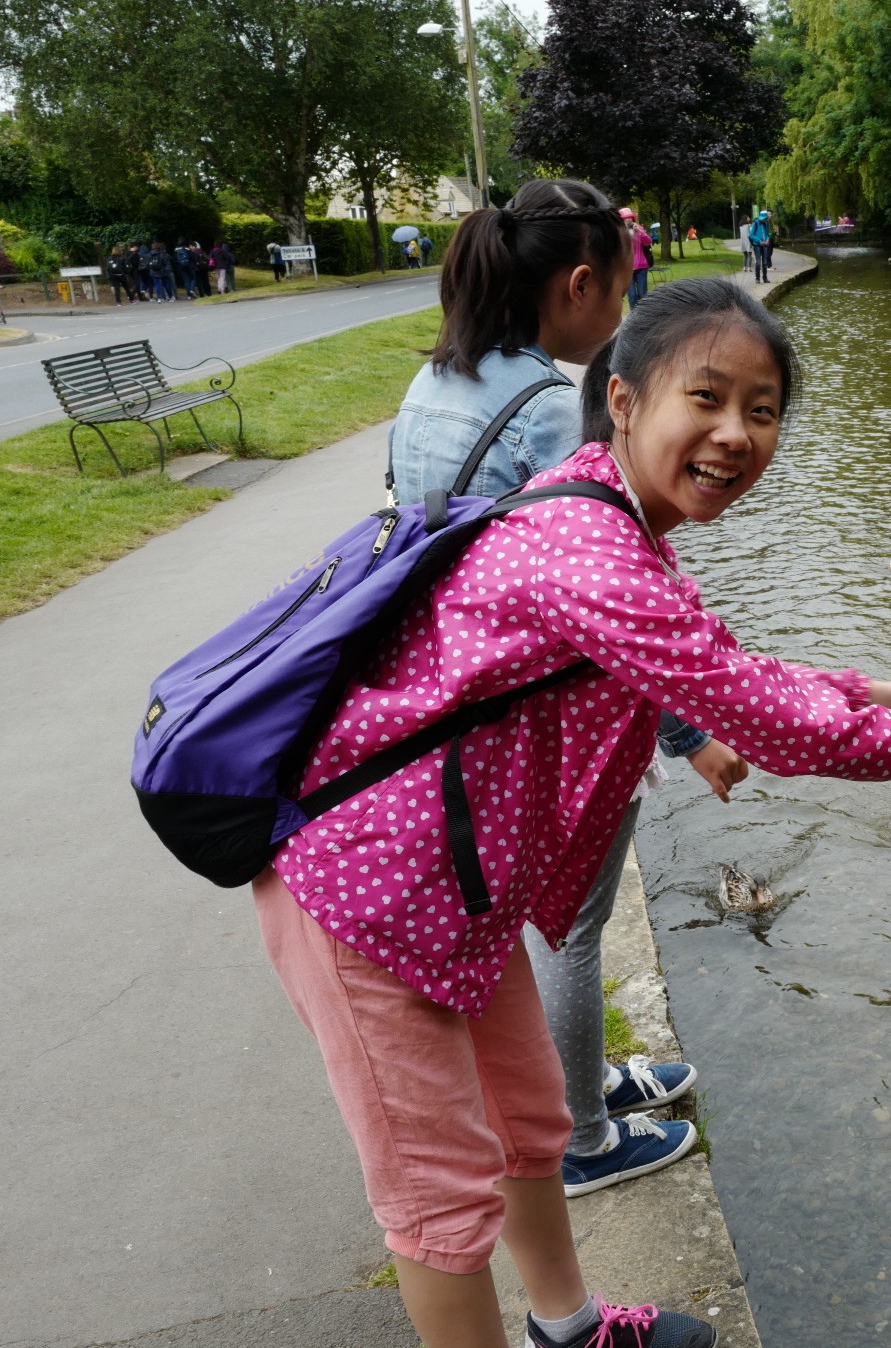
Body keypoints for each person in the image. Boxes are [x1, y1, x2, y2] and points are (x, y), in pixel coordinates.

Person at [258, 271, 891, 1348]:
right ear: (622, 401)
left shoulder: (621, 524)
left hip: (457, 888)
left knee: (532, 1119)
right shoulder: (588, 542)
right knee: (440, 1203)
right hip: (367, 896)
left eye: (761, 411)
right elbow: (765, 723)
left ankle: (569, 1328)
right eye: (706, 399)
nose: (735, 435)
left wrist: (877, 689)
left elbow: (714, 670)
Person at [388, 177, 744, 1201]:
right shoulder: (552, 410)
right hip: (544, 721)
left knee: (536, 927)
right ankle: (583, 1138)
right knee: (571, 928)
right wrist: (692, 735)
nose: (627, 319)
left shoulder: (434, 384)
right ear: (580, 285)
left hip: (461, 704)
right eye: (625, 293)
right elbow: (627, 601)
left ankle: (576, 1085)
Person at [621, 207, 653, 310]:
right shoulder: (620, 232)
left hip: (641, 266)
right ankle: (633, 317)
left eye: (629, 218)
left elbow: (648, 242)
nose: (628, 220)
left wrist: (639, 231)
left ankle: (643, 315)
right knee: (632, 295)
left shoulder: (638, 228)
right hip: (627, 268)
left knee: (642, 293)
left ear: (633, 219)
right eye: (625, 218)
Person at [748, 209, 773, 284]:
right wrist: (759, 241)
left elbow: (767, 234)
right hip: (757, 245)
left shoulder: (766, 224)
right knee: (758, 262)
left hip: (764, 245)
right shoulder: (755, 223)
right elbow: (751, 235)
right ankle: (757, 278)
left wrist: (768, 239)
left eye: (766, 219)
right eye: (765, 219)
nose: (765, 220)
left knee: (765, 262)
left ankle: (765, 278)